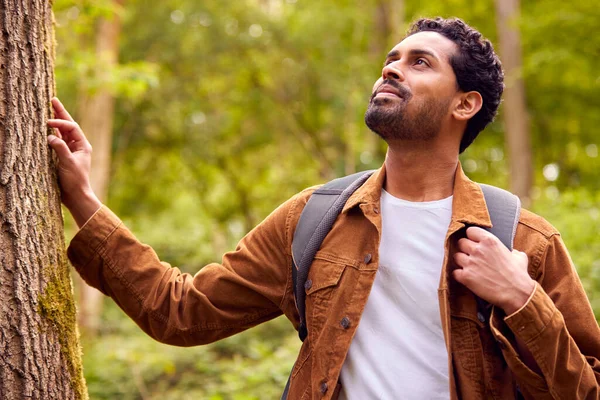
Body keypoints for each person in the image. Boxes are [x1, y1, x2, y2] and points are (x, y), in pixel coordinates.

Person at [47, 17, 600, 400]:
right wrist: (83, 200)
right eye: (391, 59)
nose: (391, 69)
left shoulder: (523, 243)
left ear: (465, 103)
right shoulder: (313, 220)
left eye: (420, 63)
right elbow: (181, 312)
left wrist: (522, 298)